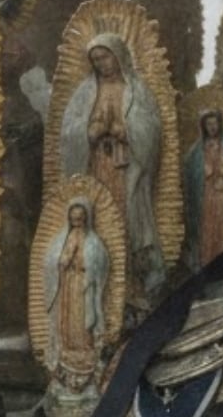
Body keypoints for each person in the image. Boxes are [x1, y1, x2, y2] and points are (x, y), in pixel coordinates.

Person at [59, 34, 166, 295]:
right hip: (96, 170)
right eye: (95, 60)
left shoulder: (136, 89)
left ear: (118, 55)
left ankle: (131, 289)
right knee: (98, 223)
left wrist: (125, 130)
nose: (101, 64)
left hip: (126, 171)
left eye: (105, 57)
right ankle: (101, 290)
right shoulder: (84, 93)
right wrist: (89, 132)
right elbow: (68, 132)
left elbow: (152, 130)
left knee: (127, 222)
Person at [43, 200, 110, 393]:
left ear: (87, 218)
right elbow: (56, 260)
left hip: (84, 284)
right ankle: (68, 349)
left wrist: (91, 270)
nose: (77, 223)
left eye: (80, 219)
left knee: (83, 319)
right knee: (69, 318)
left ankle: (84, 350)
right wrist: (62, 261)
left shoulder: (94, 241)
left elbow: (102, 261)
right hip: (69, 285)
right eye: (74, 220)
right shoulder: (65, 238)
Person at [181, 109, 223, 269]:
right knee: (207, 230)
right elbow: (190, 172)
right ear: (203, 126)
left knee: (222, 228)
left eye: (214, 123)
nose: (212, 127)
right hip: (205, 196)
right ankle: (206, 262)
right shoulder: (197, 151)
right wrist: (204, 171)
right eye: (208, 124)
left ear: (220, 124)